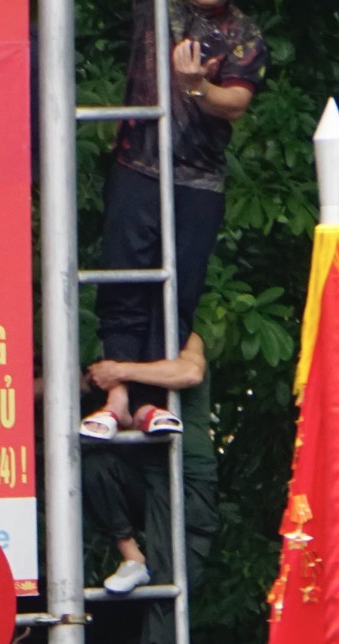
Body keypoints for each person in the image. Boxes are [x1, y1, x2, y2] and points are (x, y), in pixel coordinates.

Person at [85, 0, 262, 438]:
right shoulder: (157, 7)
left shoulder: (244, 33)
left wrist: (196, 85)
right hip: (137, 164)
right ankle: (117, 399)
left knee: (177, 294)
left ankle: (151, 403)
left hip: (198, 179)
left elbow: (236, 101)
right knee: (123, 282)